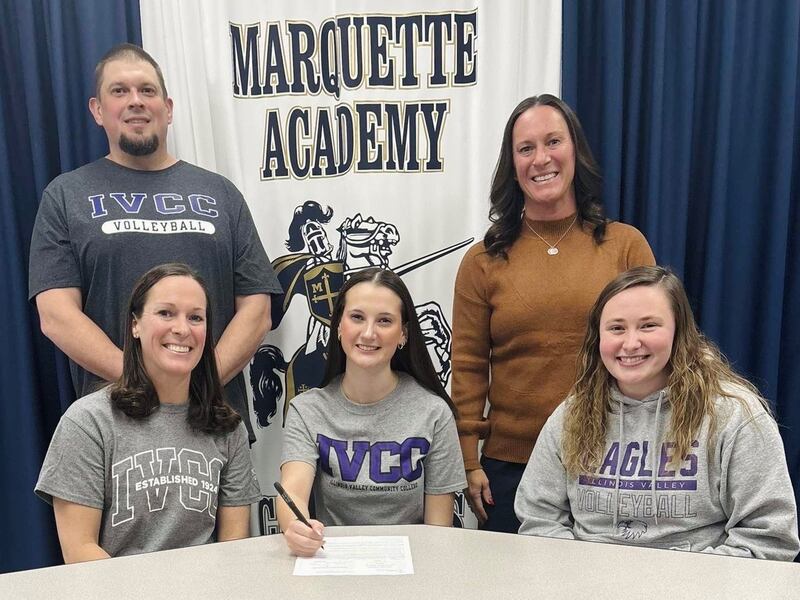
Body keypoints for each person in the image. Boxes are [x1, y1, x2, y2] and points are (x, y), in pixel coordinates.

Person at [28, 43, 282, 442]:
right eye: (119, 91)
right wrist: (141, 381)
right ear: (97, 110)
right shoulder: (66, 195)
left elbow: (257, 309)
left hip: (212, 421)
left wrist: (197, 381)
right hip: (114, 425)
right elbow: (56, 315)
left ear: (168, 108)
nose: (135, 102)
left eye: (147, 91)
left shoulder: (220, 194)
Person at [451, 94, 655, 532]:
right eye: (526, 148)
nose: (541, 158)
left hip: (612, 459)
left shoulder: (625, 245)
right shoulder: (483, 260)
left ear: (575, 151)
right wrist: (469, 461)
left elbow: (661, 350)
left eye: (553, 142)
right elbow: (467, 366)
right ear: (513, 163)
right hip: (510, 469)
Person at [515, 266, 800, 560]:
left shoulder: (734, 416)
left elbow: (769, 538)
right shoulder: (571, 415)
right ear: (597, 337)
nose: (630, 343)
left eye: (648, 325)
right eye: (616, 328)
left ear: (679, 332)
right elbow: (540, 518)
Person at [35, 263, 262, 562]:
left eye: (195, 317)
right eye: (166, 313)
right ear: (135, 325)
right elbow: (80, 552)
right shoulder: (88, 423)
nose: (182, 329)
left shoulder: (228, 427)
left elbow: (233, 549)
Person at [277, 267, 466, 556]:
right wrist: (296, 529)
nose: (368, 333)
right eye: (357, 317)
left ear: (403, 334)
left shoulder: (434, 413)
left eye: (385, 321)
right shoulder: (306, 410)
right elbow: (293, 490)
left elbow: (438, 532)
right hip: (331, 562)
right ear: (339, 325)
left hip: (412, 569)